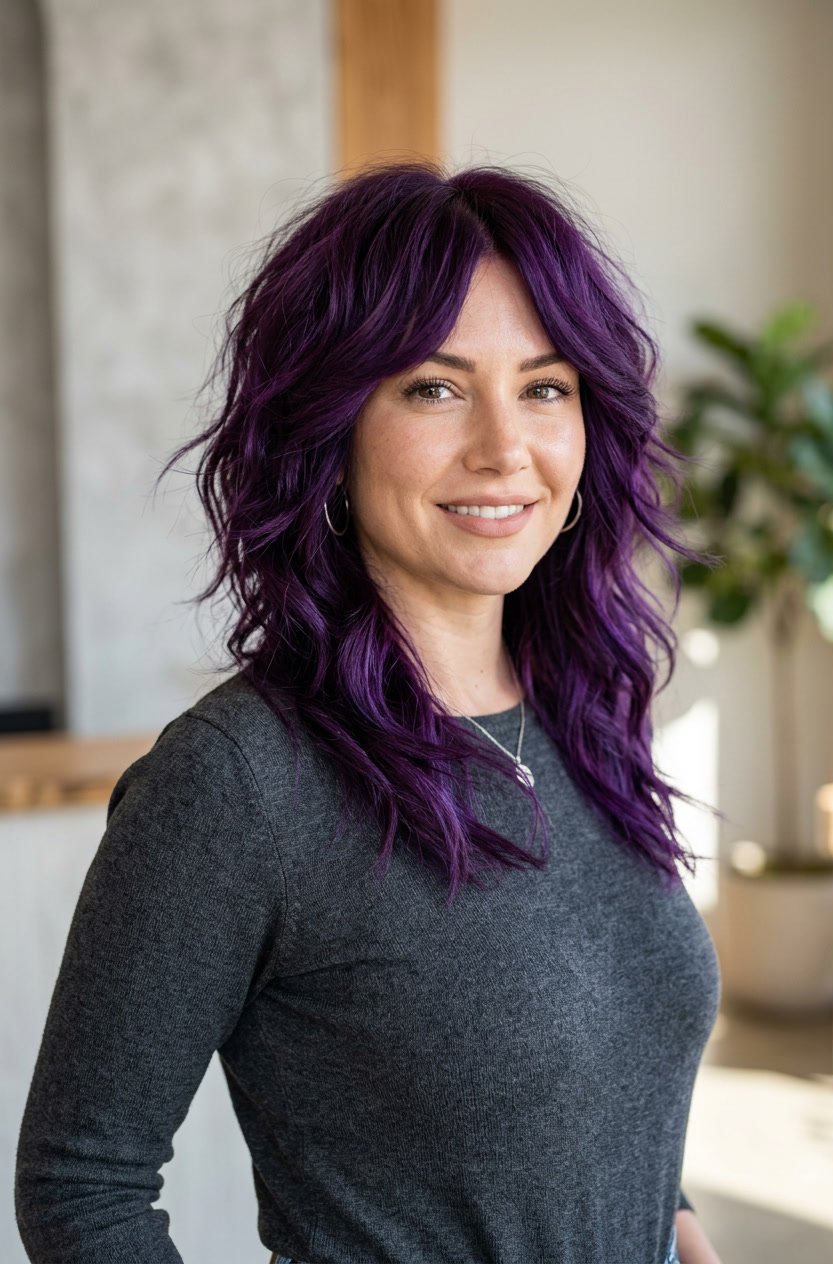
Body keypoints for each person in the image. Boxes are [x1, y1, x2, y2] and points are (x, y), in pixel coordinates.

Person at [15, 160, 724, 1264]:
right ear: (331, 429)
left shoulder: (585, 717)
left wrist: (675, 1227)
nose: (503, 447)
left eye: (544, 386)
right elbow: (82, 1185)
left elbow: (599, 1089)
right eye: (433, 388)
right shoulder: (238, 781)